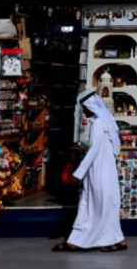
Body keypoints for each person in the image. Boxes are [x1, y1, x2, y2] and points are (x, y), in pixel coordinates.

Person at [52, 90, 127, 252]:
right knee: (102, 205)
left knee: (95, 206)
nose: (84, 112)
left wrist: (78, 172)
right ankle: (116, 239)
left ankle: (83, 240)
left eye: (84, 108)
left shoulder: (99, 123)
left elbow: (94, 149)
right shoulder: (105, 122)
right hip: (104, 170)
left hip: (98, 171)